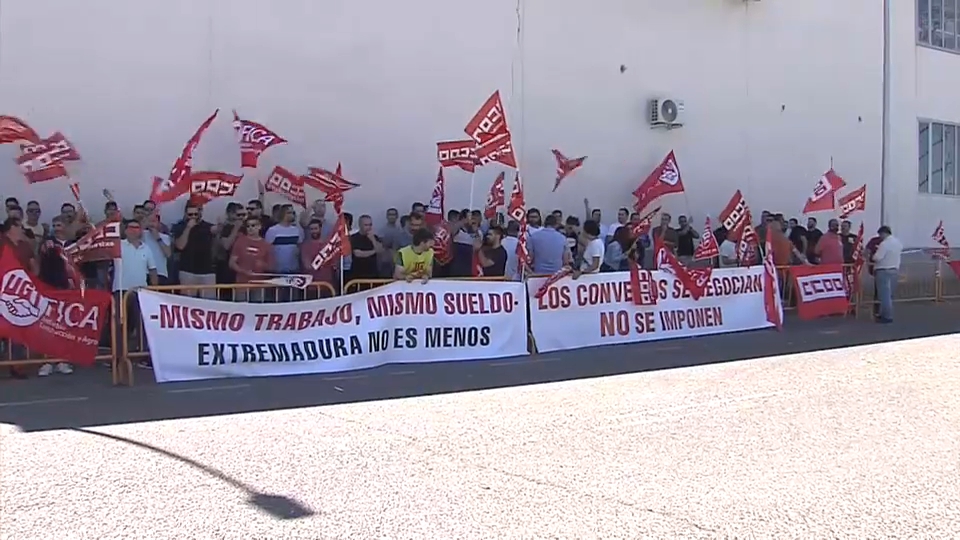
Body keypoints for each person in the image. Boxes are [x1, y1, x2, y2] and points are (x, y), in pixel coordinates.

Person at [110, 220, 158, 367]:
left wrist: (155, 289)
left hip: (141, 291)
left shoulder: (146, 248)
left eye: (137, 227)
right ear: (125, 230)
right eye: (131, 227)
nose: (134, 230)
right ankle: (117, 357)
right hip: (121, 290)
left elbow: (153, 270)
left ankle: (142, 356)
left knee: (142, 324)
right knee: (119, 325)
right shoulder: (118, 246)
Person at [172, 203, 217, 298]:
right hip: (187, 270)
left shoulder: (208, 226)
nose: (193, 217)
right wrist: (188, 228)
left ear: (200, 213)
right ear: (185, 214)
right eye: (190, 214)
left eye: (195, 214)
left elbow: (218, 232)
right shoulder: (179, 227)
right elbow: (180, 246)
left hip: (207, 271)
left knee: (209, 302)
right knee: (188, 301)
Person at [230, 215, 275, 302]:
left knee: (257, 307)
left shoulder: (266, 245)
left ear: (259, 226)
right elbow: (232, 263)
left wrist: (263, 265)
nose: (250, 228)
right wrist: (243, 271)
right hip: (242, 282)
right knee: (241, 307)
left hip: (259, 283)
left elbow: (271, 267)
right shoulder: (240, 241)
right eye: (248, 226)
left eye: (253, 225)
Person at [264, 204, 304, 301]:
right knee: (278, 297)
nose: (292, 215)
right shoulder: (273, 230)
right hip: (278, 271)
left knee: (293, 297)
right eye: (289, 213)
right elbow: (267, 249)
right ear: (283, 214)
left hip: (293, 270)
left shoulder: (296, 230)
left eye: (293, 213)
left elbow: (300, 245)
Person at [872, 225, 902, 324]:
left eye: (880, 235)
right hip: (894, 269)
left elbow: (877, 257)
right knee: (889, 295)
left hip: (883, 269)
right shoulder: (898, 243)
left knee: (884, 295)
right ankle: (884, 313)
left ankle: (887, 316)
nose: (880, 237)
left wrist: (873, 256)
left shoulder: (884, 244)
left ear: (883, 233)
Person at [349, 215, 383, 280]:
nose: (368, 227)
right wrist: (374, 251)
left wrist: (373, 239)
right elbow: (358, 254)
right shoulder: (354, 238)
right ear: (360, 225)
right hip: (358, 274)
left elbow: (380, 250)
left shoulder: (375, 237)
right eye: (366, 225)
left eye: (370, 225)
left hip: (373, 274)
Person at [142, 212, 172, 285]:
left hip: (160, 273)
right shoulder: (141, 234)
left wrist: (158, 238)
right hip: (144, 272)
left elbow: (168, 254)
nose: (151, 224)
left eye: (154, 221)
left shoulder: (165, 237)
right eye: (149, 221)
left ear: (158, 223)